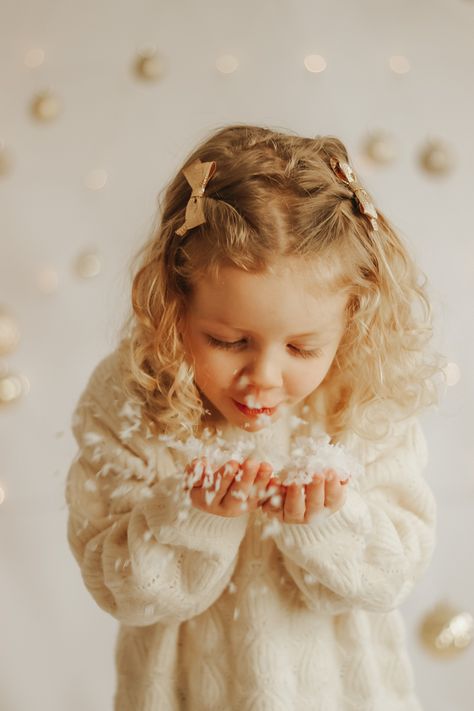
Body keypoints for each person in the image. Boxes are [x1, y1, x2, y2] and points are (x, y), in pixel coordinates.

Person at [65, 123, 446, 710]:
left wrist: (331, 520)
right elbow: (118, 588)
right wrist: (191, 516)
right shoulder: (133, 398)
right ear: (174, 303)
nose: (263, 377)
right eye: (226, 340)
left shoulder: (362, 398)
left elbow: (390, 577)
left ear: (351, 320)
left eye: (301, 348)